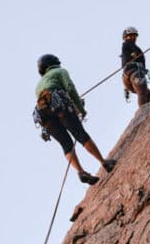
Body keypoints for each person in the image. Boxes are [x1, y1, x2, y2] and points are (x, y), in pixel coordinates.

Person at [33, 54, 116, 186]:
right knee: (81, 135)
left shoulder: (38, 86)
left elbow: (47, 99)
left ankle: (81, 172)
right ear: (54, 63)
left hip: (43, 115)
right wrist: (80, 108)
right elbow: (69, 88)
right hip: (59, 105)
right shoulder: (60, 71)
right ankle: (104, 162)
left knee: (66, 144)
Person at [120, 27, 150, 107]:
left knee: (147, 94)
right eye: (130, 36)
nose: (132, 38)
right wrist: (135, 53)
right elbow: (135, 51)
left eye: (134, 36)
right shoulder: (129, 44)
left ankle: (147, 110)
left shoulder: (126, 48)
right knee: (142, 93)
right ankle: (143, 113)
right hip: (134, 72)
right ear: (125, 37)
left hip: (127, 77)